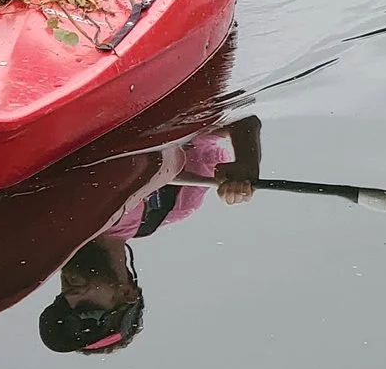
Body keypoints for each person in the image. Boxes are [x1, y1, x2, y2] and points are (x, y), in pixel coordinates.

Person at [39, 120, 260, 356]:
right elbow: (241, 122)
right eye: (87, 310)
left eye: (64, 305)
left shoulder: (43, 227)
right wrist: (247, 161)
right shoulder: (175, 204)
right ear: (126, 293)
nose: (71, 297)